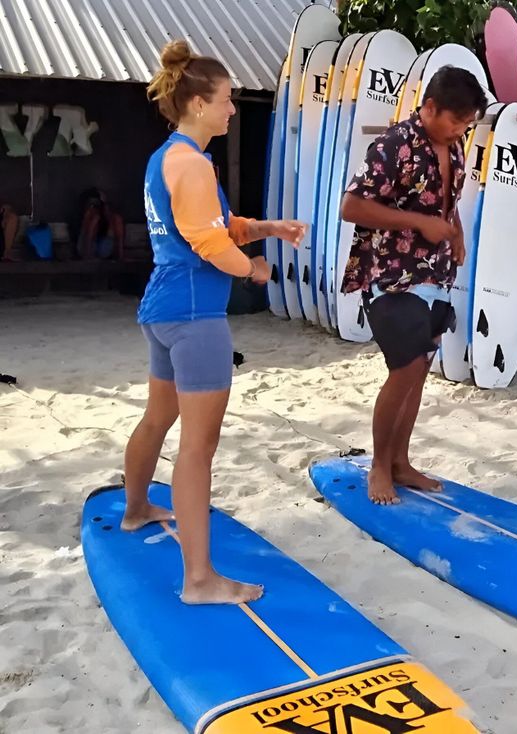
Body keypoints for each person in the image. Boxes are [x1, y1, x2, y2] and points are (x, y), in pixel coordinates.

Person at [121, 40, 306, 604]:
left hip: (163, 309)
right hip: (196, 318)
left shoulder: (168, 159)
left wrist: (269, 228)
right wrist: (250, 269)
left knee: (158, 419)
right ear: (199, 104)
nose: (233, 109)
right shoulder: (194, 165)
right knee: (198, 448)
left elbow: (220, 223)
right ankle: (200, 579)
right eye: (227, 100)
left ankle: (134, 511)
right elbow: (208, 242)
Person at [340, 66, 487, 505]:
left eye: (467, 123)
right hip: (391, 273)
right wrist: (419, 222)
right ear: (429, 108)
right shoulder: (393, 145)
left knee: (420, 370)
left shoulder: (454, 146)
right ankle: (379, 467)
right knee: (402, 369)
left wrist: (455, 233)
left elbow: (447, 202)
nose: (461, 129)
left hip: (436, 273)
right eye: (455, 120)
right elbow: (351, 206)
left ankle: (401, 462)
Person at [77, 188, 126, 260]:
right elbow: (83, 246)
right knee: (93, 220)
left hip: (105, 249)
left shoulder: (114, 219)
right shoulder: (89, 217)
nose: (94, 208)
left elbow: (118, 238)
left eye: (98, 205)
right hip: (87, 248)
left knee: (116, 220)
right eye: (92, 205)